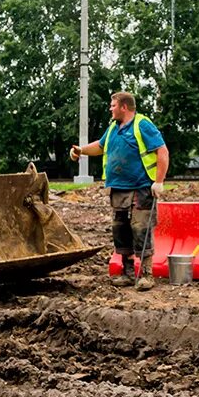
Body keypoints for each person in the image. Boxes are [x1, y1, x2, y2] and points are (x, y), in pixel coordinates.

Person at [69, 92, 170, 290]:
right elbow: (100, 146)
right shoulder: (114, 128)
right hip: (118, 188)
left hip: (141, 188)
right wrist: (81, 150)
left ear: (124, 107)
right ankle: (128, 272)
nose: (110, 108)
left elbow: (162, 151)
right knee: (121, 230)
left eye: (113, 105)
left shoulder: (142, 124)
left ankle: (147, 275)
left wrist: (159, 181)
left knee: (141, 229)